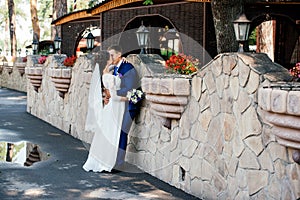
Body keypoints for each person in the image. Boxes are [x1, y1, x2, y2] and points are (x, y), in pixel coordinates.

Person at [83, 45, 139, 172]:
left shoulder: (127, 67)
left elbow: (129, 89)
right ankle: (111, 161)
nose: (111, 57)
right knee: (112, 133)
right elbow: (111, 86)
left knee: (121, 133)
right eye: (109, 55)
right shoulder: (111, 69)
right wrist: (110, 95)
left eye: (112, 55)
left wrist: (113, 95)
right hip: (115, 104)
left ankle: (118, 163)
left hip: (127, 106)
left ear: (119, 55)